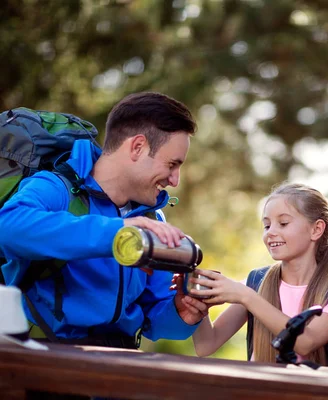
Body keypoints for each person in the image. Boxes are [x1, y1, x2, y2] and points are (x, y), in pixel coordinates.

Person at [0, 92, 207, 348]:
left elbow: (152, 318)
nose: (175, 180)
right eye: (172, 164)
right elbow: (8, 228)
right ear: (138, 147)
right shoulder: (57, 188)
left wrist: (181, 312)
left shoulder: (151, 217)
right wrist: (116, 232)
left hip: (116, 367)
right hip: (44, 362)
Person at [188, 183, 328, 366]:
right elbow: (206, 345)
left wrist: (245, 296)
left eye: (283, 223)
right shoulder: (256, 283)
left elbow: (305, 342)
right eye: (267, 225)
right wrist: (200, 307)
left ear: (316, 229)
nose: (271, 233)